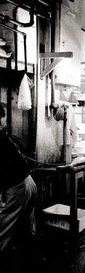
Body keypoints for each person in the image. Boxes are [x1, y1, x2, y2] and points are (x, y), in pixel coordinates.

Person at [0, 103, 37, 255]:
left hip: (18, 187)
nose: (4, 122)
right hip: (27, 183)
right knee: (25, 227)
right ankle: (27, 261)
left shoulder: (2, 137)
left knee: (3, 229)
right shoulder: (4, 136)